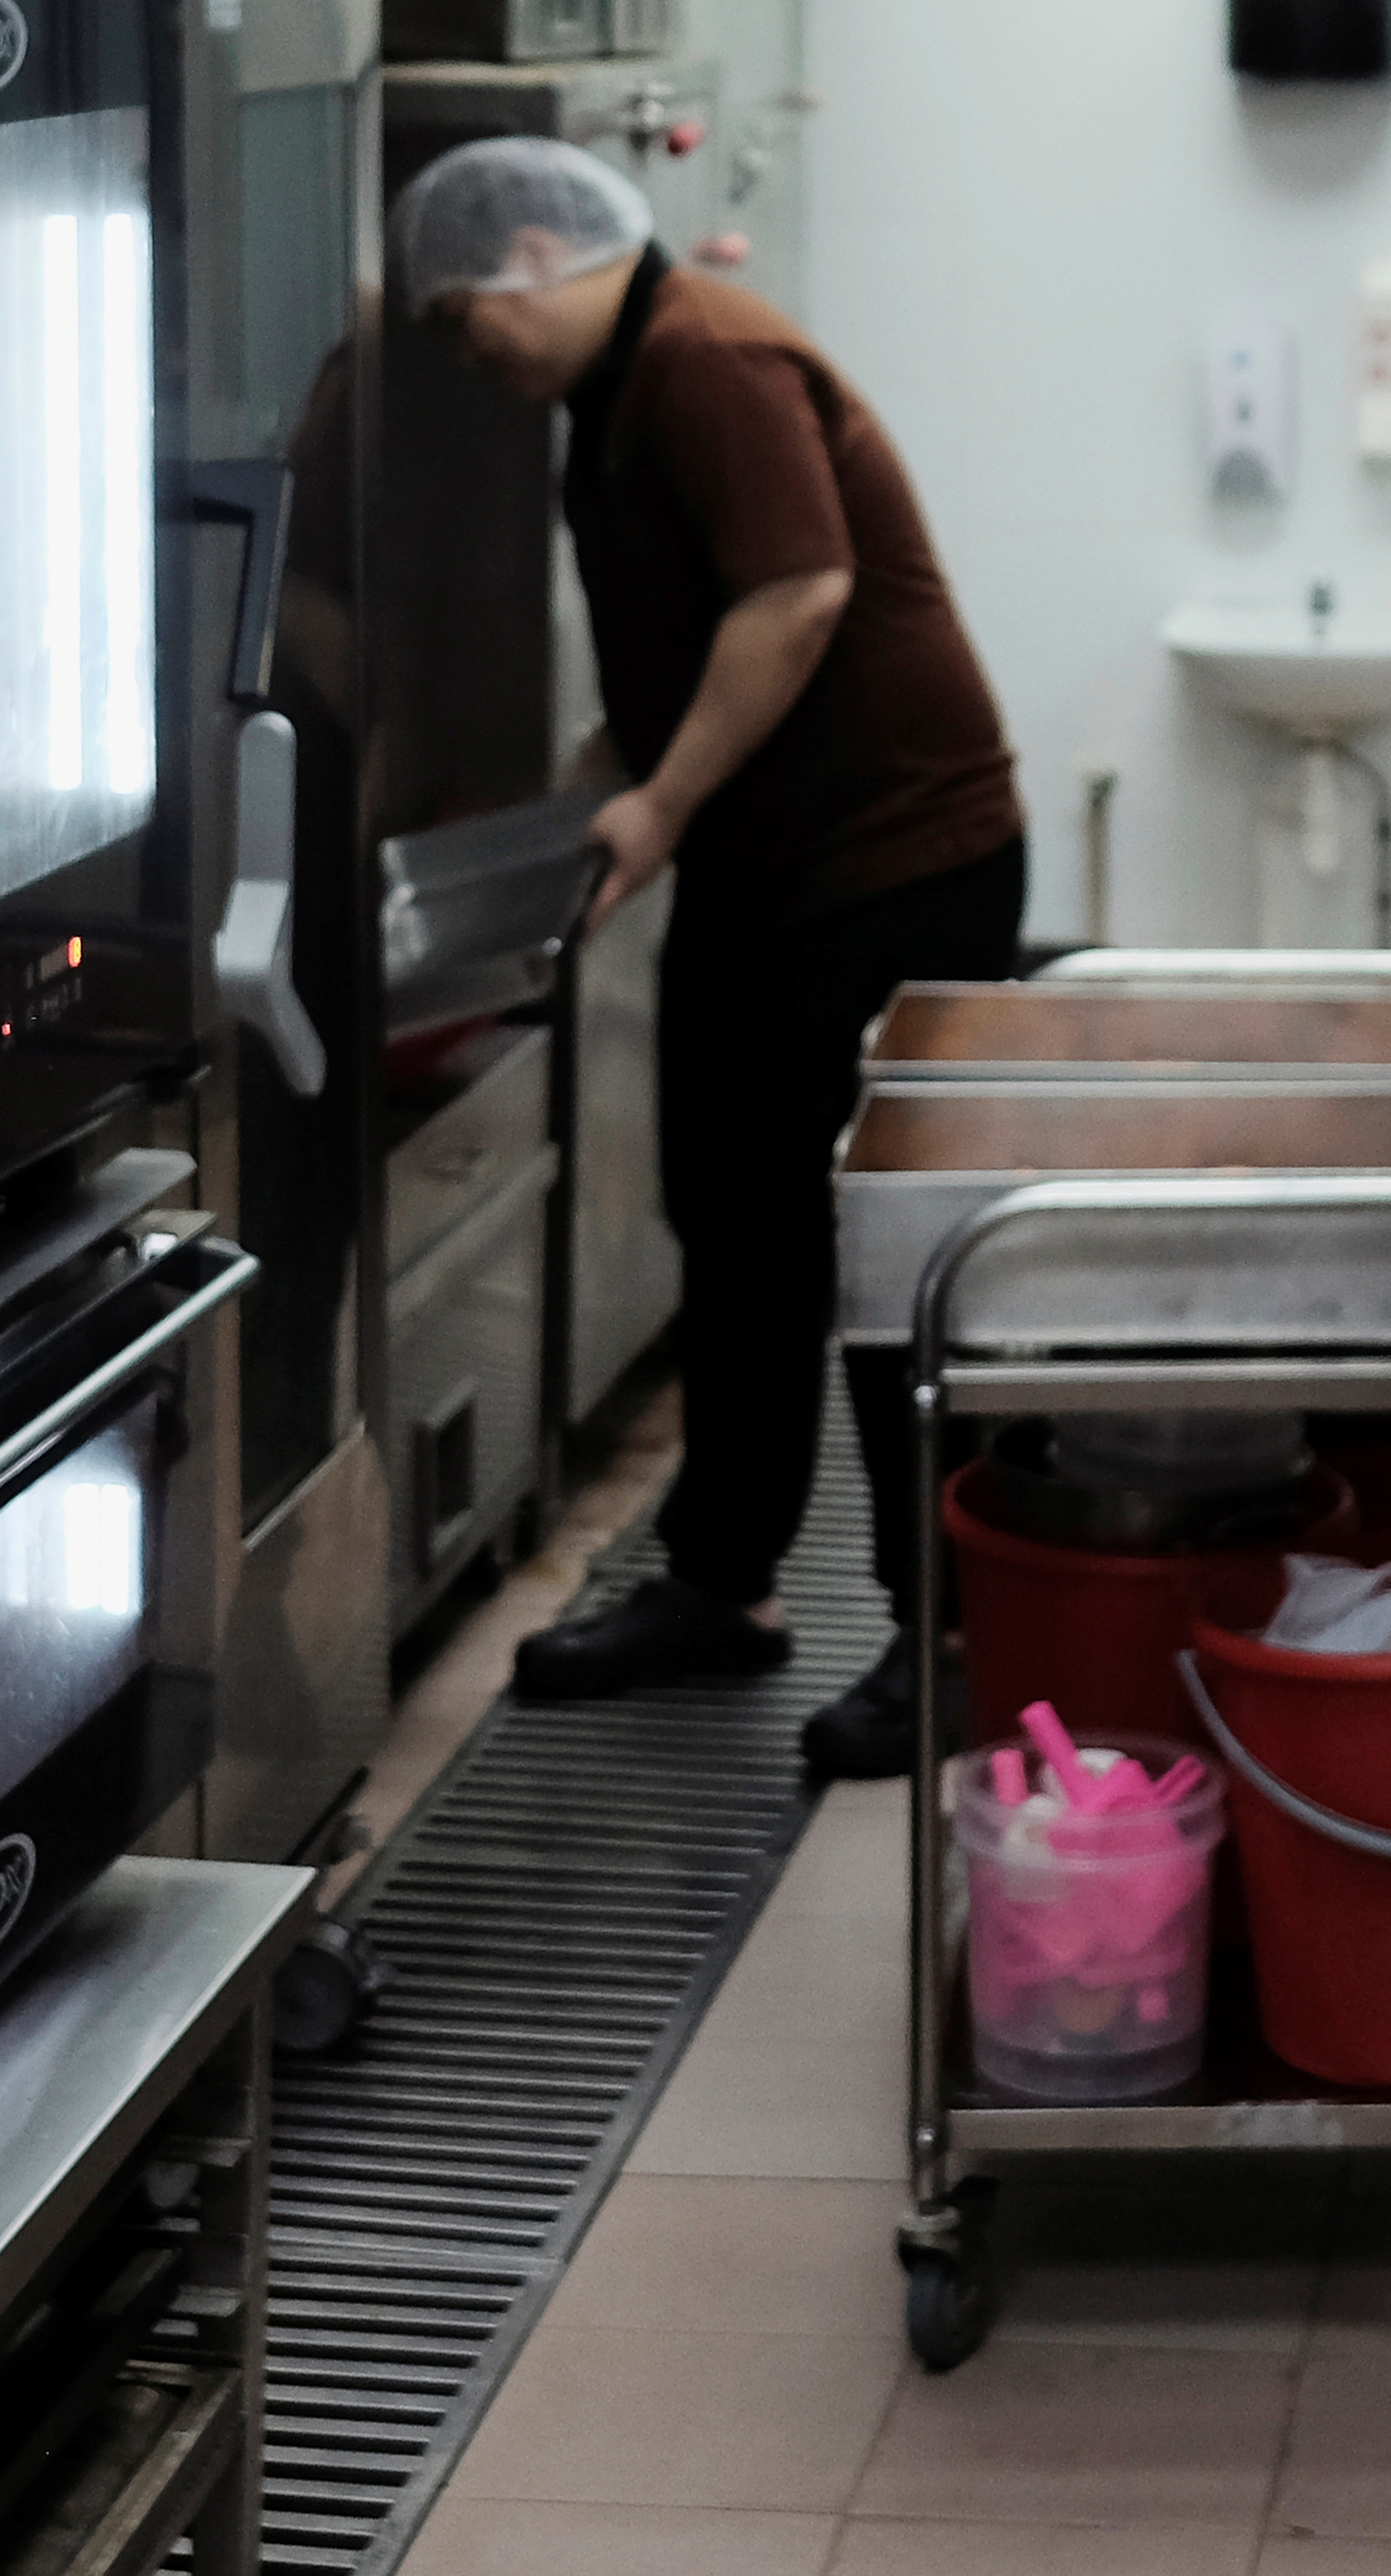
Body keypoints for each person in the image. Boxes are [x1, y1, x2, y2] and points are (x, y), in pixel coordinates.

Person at [394, 136, 1027, 1781]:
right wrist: (573, 811)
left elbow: (799, 595)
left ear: (536, 252)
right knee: (735, 1228)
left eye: (466, 315)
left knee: (888, 1264)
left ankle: (949, 1633)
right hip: (770, 870)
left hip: (897, 870)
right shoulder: (610, 399)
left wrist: (656, 806)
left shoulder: (706, 359)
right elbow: (689, 647)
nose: (467, 350)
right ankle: (720, 1584)